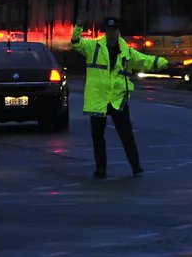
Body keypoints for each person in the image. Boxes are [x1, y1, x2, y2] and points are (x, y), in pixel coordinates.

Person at [70, 16, 170, 179]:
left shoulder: (127, 53)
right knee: (98, 137)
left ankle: (136, 166)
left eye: (114, 30)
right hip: (99, 99)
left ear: (118, 32)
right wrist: (79, 27)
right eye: (109, 31)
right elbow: (76, 43)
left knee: (126, 134)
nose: (112, 34)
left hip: (118, 99)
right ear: (105, 32)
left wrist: (165, 63)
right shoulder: (93, 47)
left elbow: (145, 61)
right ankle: (101, 169)